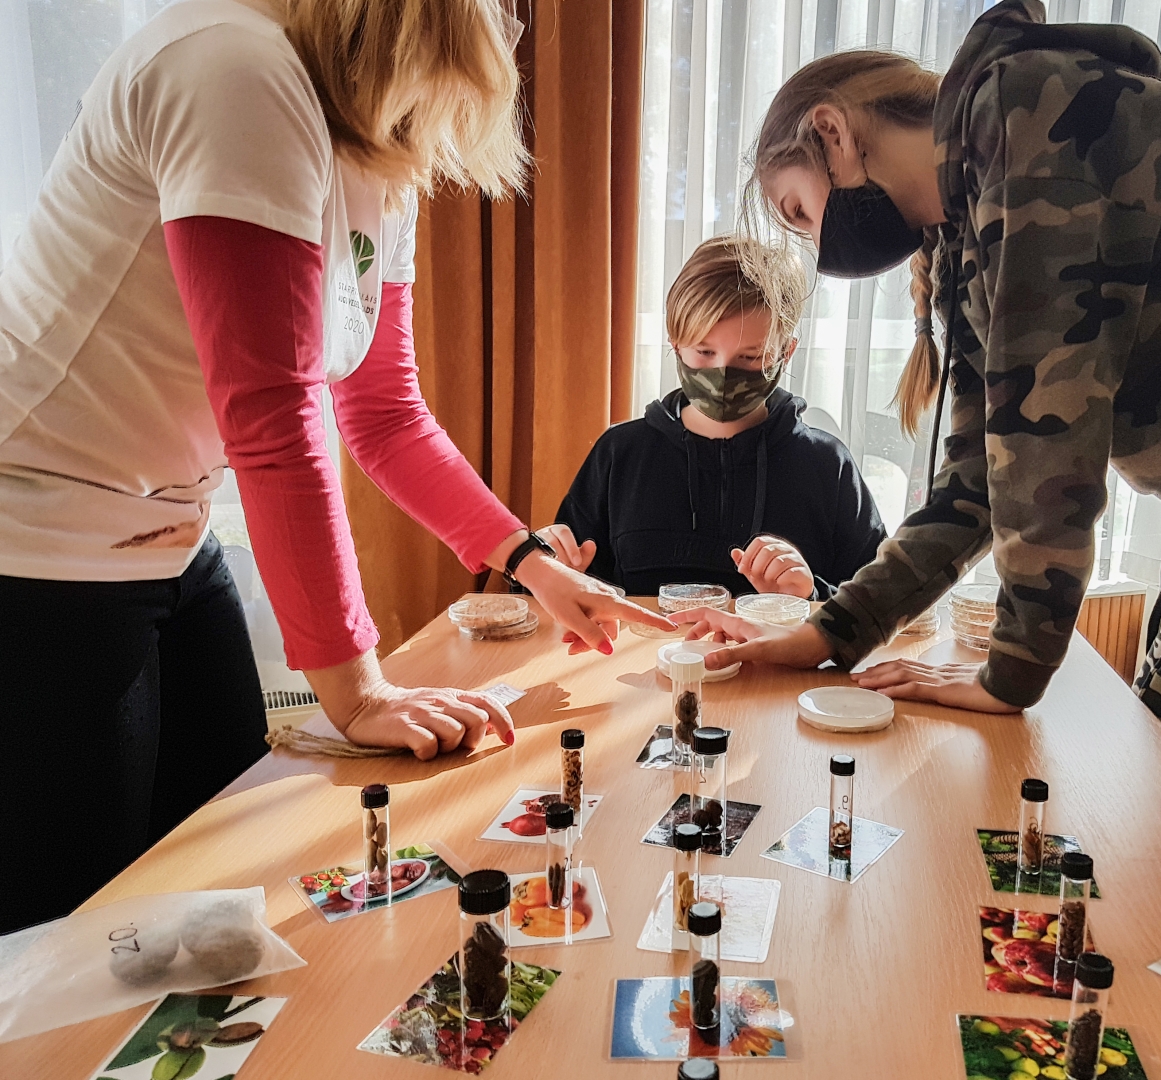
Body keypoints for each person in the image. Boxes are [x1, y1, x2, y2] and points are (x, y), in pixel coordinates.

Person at [673, 0, 1161, 837]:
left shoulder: (1026, 123)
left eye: (800, 211)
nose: (820, 246)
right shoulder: (968, 219)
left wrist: (1011, 673)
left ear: (833, 132)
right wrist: (834, 630)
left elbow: (1047, 444)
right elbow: (974, 484)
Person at [0, 0, 669, 932]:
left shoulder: (374, 153)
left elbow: (384, 412)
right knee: (64, 936)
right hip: (38, 546)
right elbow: (273, 419)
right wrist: (358, 693)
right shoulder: (235, 64)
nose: (510, 34)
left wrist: (532, 564)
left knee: (216, 899)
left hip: (173, 531)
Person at [539, 236, 886, 603]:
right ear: (675, 342)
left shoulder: (826, 465)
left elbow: (883, 602)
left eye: (751, 357)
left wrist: (808, 594)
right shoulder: (620, 454)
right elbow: (558, 585)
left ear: (787, 351)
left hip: (781, 645)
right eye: (704, 351)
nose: (722, 376)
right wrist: (548, 565)